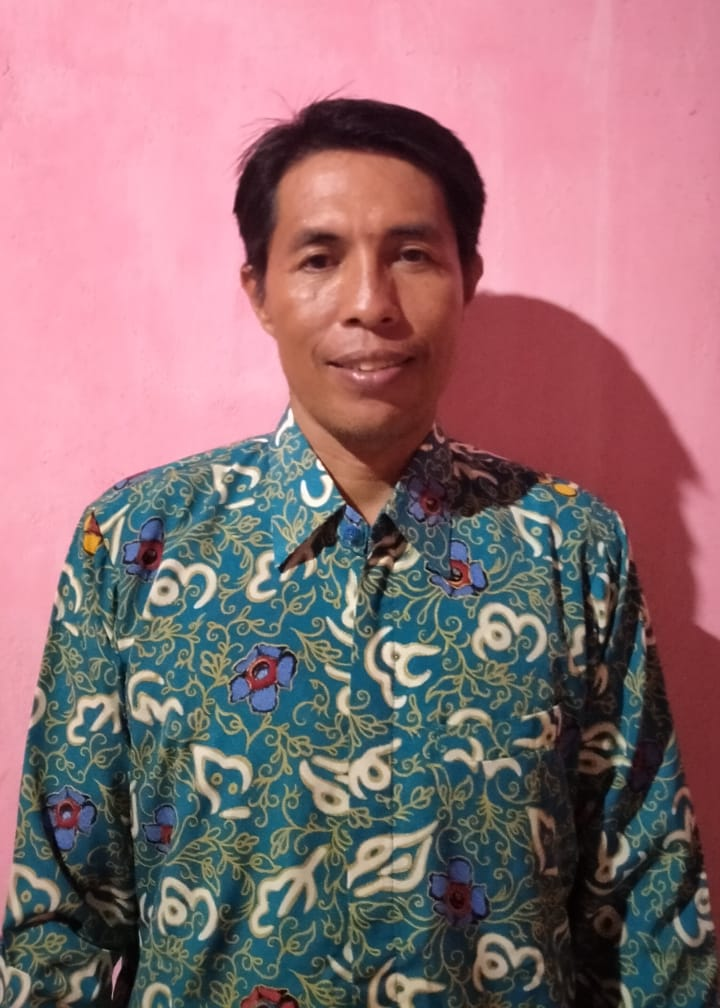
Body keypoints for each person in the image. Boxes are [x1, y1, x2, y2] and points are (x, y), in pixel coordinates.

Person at [1, 98, 717, 1008]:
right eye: (319, 258)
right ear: (259, 291)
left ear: (467, 278)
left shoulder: (570, 549)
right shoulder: (137, 543)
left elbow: (649, 913)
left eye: (412, 255)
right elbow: (58, 919)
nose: (371, 304)